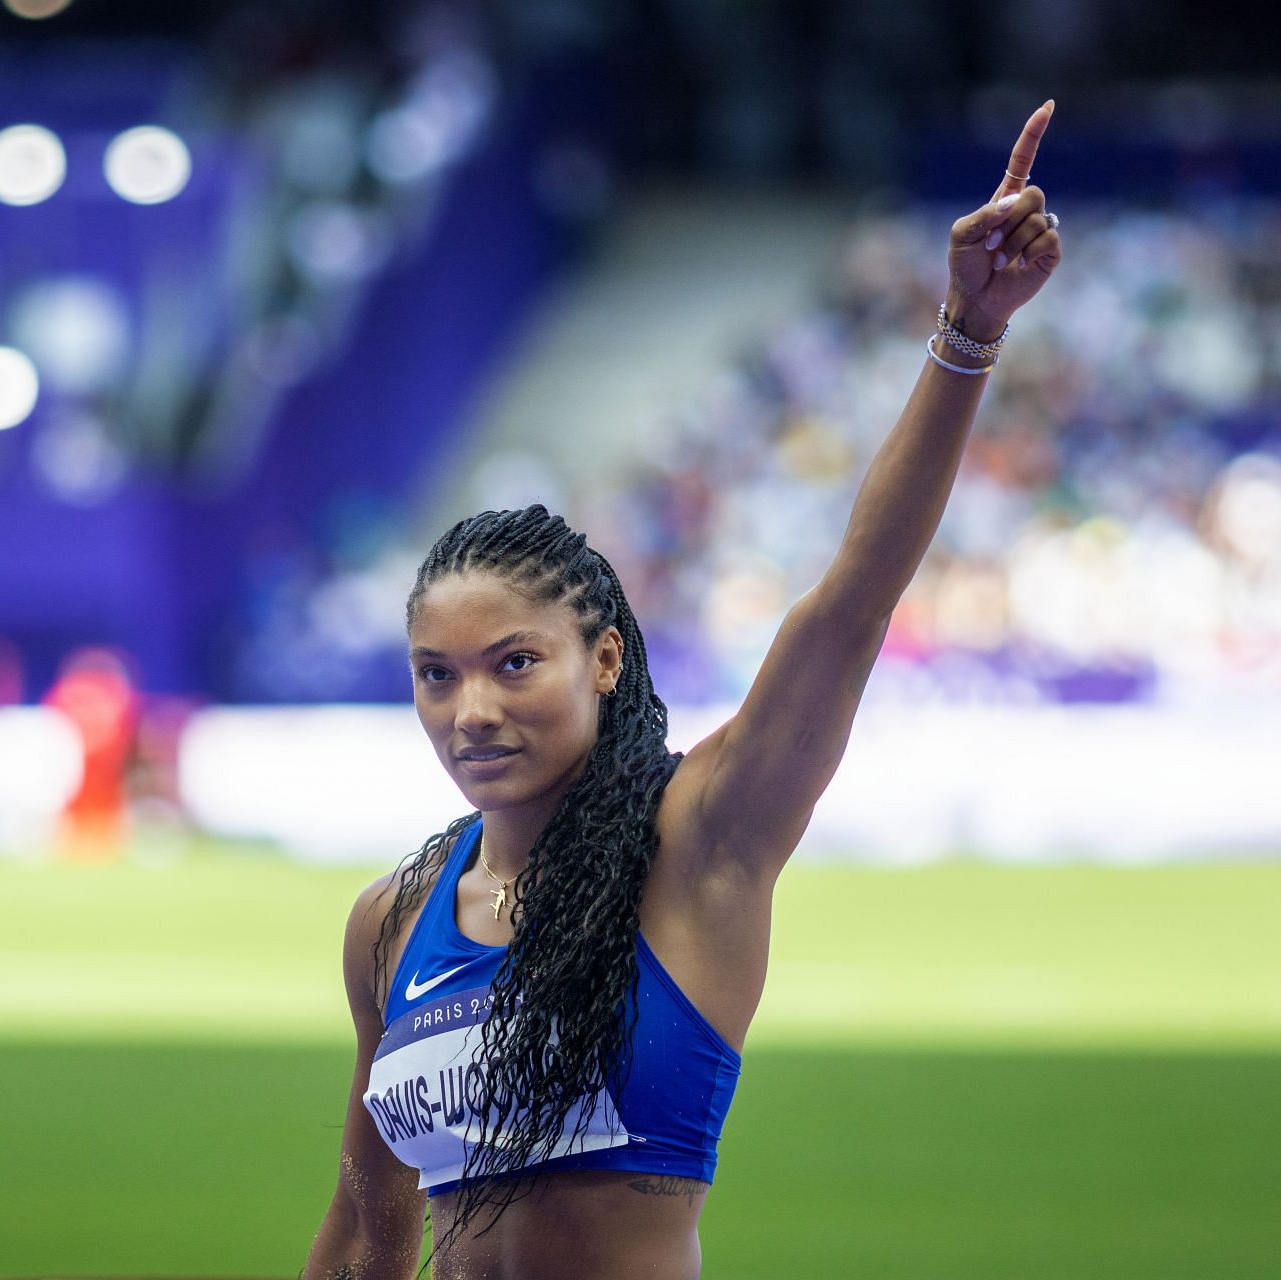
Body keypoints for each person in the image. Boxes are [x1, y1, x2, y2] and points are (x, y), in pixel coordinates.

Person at [301, 100, 1062, 1279]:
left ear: (604, 659)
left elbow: (849, 604)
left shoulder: (703, 840)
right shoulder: (392, 919)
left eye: (516, 662)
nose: (472, 710)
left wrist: (968, 330)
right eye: (436, 676)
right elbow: (364, 1230)